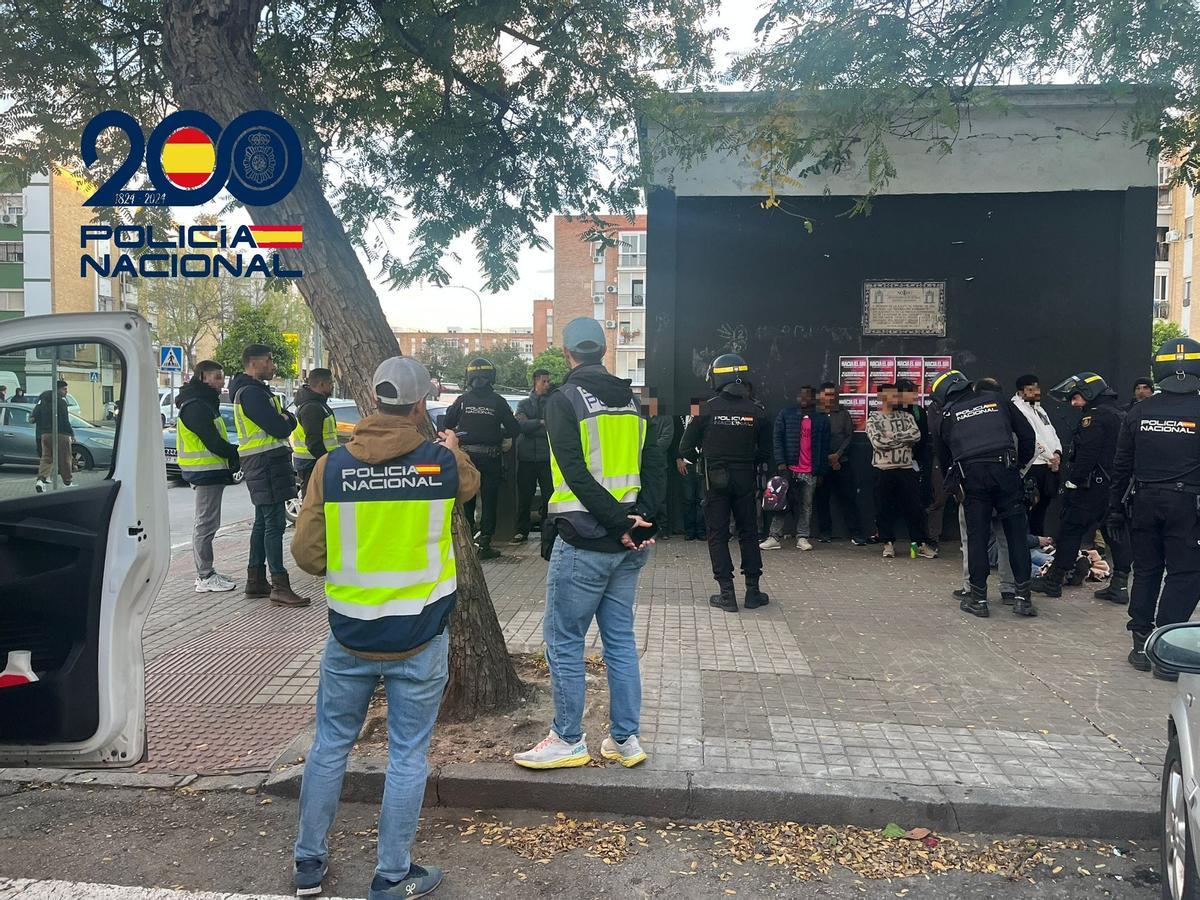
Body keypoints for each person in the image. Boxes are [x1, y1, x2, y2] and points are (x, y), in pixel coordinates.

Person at [290, 356, 479, 900]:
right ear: (420, 405)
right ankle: (392, 876)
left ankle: (309, 864)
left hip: (350, 634)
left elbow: (306, 554)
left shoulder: (332, 467)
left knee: (329, 747)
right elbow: (469, 486)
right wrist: (450, 447)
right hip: (420, 636)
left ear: (373, 398)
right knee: (406, 756)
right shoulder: (439, 464)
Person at [515, 317, 662, 770]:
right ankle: (625, 740)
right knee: (619, 641)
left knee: (563, 641)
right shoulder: (633, 401)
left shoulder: (563, 400)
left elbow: (575, 475)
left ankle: (568, 738)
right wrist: (643, 522)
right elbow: (654, 462)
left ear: (567, 354)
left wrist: (618, 521)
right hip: (629, 545)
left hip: (583, 539)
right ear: (604, 349)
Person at [1111, 338, 1200, 678]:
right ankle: (1169, 650)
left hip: (1144, 502)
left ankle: (1140, 643)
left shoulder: (1140, 410)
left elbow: (1122, 465)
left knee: (1146, 570)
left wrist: (1115, 509)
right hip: (1188, 507)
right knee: (1185, 574)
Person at [934, 370, 1037, 617]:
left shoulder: (947, 416)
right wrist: (1018, 467)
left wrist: (956, 481)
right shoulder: (997, 400)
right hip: (1005, 472)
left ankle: (978, 599)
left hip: (972, 478)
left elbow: (944, 457)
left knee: (977, 537)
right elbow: (1027, 435)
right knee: (1015, 536)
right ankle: (1022, 598)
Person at [677, 354, 771, 611]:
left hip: (714, 479)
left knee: (717, 535)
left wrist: (705, 458)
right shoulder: (757, 411)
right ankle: (753, 592)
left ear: (717, 376)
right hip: (745, 479)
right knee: (749, 533)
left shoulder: (705, 408)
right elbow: (765, 452)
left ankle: (726, 593)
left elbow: (685, 447)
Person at [1031, 372, 1132, 603]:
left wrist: (1073, 483)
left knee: (1070, 530)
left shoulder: (1094, 419)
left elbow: (1086, 456)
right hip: (1116, 487)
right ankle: (1120, 585)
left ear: (1089, 393)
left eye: (1076, 398)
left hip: (1092, 487)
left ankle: (1054, 580)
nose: (1074, 403)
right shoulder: (1120, 414)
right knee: (1114, 533)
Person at [229, 344, 310, 608]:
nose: (273, 365)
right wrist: (286, 419)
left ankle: (256, 581)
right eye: (269, 360)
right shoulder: (252, 393)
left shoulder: (255, 391)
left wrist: (285, 418)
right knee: (274, 523)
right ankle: (279, 585)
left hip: (265, 462)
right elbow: (278, 426)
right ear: (254, 362)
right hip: (265, 462)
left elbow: (284, 420)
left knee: (263, 523)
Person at [444, 357, 520, 559]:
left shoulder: (462, 401)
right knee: (489, 501)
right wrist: (495, 433)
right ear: (491, 377)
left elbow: (444, 424)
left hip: (467, 458)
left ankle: (468, 544)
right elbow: (515, 429)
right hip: (491, 458)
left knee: (467, 498)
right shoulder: (498, 402)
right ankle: (484, 544)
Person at [176, 360, 241, 593]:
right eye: (217, 377)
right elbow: (212, 441)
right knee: (205, 524)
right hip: (204, 472)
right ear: (203, 376)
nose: (221, 382)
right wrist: (237, 454)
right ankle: (204, 576)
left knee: (208, 523)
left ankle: (207, 572)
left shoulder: (202, 402)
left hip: (209, 471)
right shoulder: (196, 406)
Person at [866, 383, 936, 560]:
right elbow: (878, 443)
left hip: (906, 468)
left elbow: (916, 436)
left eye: (896, 395)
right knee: (883, 509)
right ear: (881, 398)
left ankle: (919, 544)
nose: (894, 399)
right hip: (883, 469)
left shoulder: (907, 416)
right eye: (890, 395)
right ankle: (887, 544)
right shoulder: (873, 419)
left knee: (914, 508)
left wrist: (892, 436)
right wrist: (903, 440)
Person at [760, 385, 830, 551]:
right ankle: (774, 537)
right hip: (790, 467)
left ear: (814, 399)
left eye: (808, 396)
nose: (804, 399)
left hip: (810, 470)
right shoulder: (786, 414)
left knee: (806, 505)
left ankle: (803, 537)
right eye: (801, 396)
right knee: (781, 502)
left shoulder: (821, 418)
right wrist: (781, 463)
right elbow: (777, 439)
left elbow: (825, 446)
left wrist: (820, 471)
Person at [814, 382, 866, 544]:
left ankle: (856, 533)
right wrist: (825, 459)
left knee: (848, 499)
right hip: (821, 465)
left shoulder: (843, 414)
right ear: (820, 396)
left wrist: (837, 455)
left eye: (833, 395)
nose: (830, 398)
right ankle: (825, 532)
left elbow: (849, 437)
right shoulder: (815, 414)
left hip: (841, 463)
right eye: (827, 395)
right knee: (822, 500)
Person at [1011, 374, 1063, 535]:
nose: (1035, 392)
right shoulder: (1018, 409)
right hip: (1033, 465)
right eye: (1030, 389)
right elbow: (1033, 437)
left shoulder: (1039, 408)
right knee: (1030, 506)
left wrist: (1058, 452)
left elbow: (1051, 432)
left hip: (1048, 464)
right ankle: (1031, 543)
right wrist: (1051, 457)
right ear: (1021, 392)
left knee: (1043, 507)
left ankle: (1039, 540)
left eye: (1036, 388)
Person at [512, 368, 554, 544]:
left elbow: (552, 426)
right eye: (544, 381)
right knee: (524, 495)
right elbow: (521, 426)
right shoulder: (523, 404)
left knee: (549, 495)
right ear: (535, 381)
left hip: (546, 457)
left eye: (548, 381)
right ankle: (522, 531)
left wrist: (534, 425)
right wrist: (540, 423)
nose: (547, 385)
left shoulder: (552, 403)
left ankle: (548, 531)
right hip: (527, 457)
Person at [291, 368, 338, 496]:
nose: (332, 386)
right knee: (313, 504)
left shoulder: (317, 404)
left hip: (314, 461)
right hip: (312, 462)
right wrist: (328, 462)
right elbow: (313, 442)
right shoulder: (312, 407)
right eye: (330, 383)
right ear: (322, 384)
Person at [32, 380, 73, 492]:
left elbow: (33, 417)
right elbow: (65, 420)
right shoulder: (61, 402)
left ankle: (41, 480)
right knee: (65, 458)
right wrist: (71, 433)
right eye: (64, 389)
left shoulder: (43, 401)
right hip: (61, 433)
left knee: (46, 458)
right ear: (58, 389)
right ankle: (68, 482)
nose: (66, 391)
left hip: (45, 434)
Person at [676, 412, 704, 540]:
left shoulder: (704, 417)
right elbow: (675, 438)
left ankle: (702, 531)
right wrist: (678, 459)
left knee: (701, 499)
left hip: (702, 462)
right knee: (688, 498)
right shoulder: (679, 416)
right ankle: (689, 531)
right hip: (685, 463)